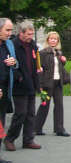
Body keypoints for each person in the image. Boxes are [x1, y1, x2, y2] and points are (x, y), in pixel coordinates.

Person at [3, 22, 41, 151]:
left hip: (31, 83)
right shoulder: (13, 44)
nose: (31, 36)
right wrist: (19, 77)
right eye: (28, 34)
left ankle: (28, 140)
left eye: (32, 33)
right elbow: (13, 64)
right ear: (21, 33)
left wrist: (38, 84)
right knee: (20, 113)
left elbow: (36, 64)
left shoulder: (33, 45)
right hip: (19, 85)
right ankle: (10, 139)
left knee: (31, 113)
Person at [34, 31, 70, 137]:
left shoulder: (58, 53)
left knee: (59, 105)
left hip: (58, 82)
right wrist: (40, 85)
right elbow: (40, 70)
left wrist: (63, 61)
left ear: (57, 41)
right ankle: (37, 128)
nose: (53, 41)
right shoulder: (43, 53)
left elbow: (59, 67)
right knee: (45, 105)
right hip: (47, 83)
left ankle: (59, 129)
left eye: (55, 39)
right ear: (48, 40)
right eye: (51, 39)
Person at [0, 17, 16, 163]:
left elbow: (16, 64)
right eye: (7, 30)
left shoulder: (7, 45)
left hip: (5, 93)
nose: (9, 33)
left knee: (1, 127)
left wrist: (13, 63)